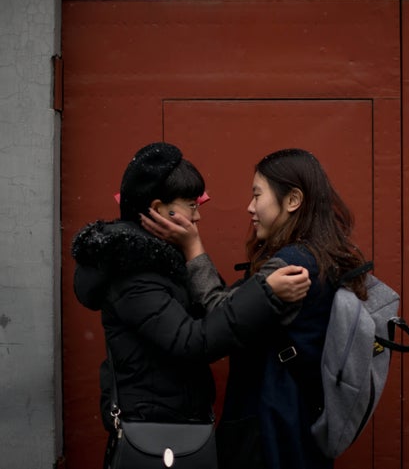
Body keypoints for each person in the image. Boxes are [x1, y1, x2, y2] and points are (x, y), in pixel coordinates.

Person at [70, 142, 311, 468]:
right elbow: (193, 341)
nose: (197, 215)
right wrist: (265, 292)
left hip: (171, 425)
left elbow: (212, 317)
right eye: (190, 205)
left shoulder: (160, 262)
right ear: (158, 209)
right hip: (156, 434)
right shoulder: (134, 273)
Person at [142, 148, 369, 469]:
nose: (250, 207)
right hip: (295, 427)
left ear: (292, 201)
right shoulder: (318, 256)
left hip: (271, 434)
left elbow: (222, 315)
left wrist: (193, 248)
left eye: (257, 195)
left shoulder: (293, 265)